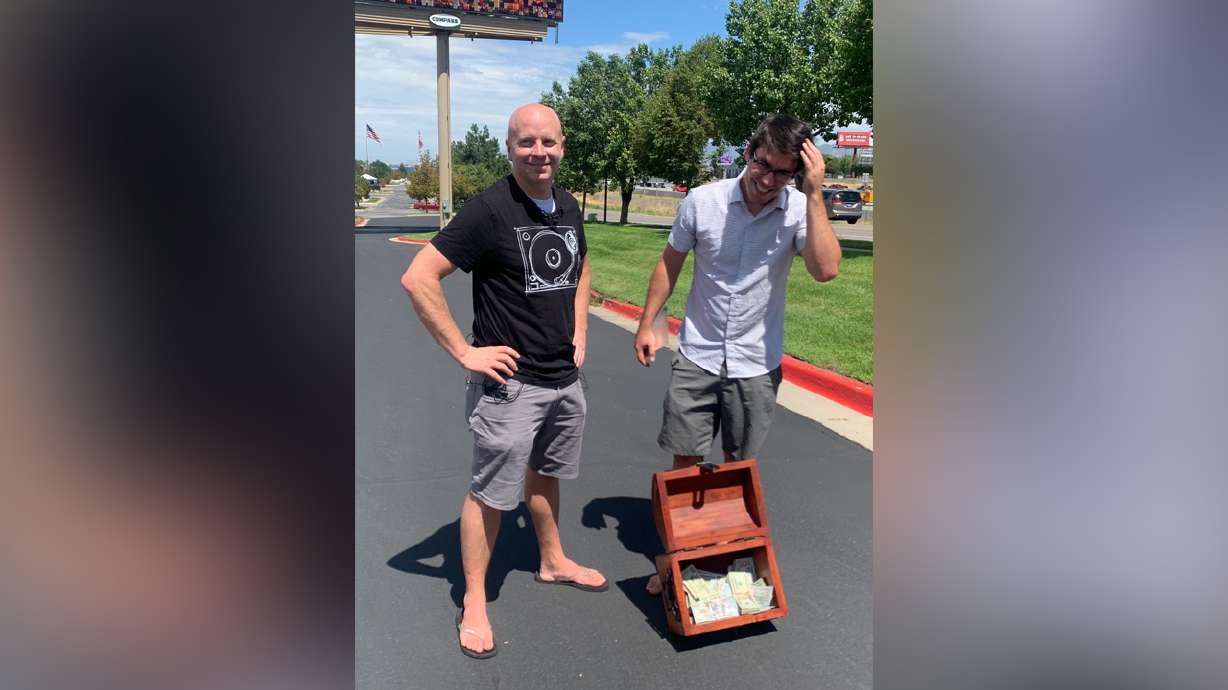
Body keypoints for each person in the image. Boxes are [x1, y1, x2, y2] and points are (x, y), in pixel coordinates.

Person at [400, 103, 607, 659]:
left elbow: (582, 267)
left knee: (546, 475)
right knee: (491, 493)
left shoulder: (566, 204)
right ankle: (473, 599)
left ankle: (552, 560)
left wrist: (580, 326)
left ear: (563, 145)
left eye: (548, 142)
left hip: (564, 379)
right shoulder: (489, 210)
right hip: (511, 387)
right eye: (526, 143)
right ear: (510, 148)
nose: (539, 152)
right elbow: (419, 276)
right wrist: (464, 351)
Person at [633, 114, 842, 595]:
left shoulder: (796, 209)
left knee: (736, 465)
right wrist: (649, 323)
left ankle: (727, 553)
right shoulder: (703, 202)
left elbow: (826, 270)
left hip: (755, 361)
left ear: (799, 172)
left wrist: (813, 194)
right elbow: (669, 265)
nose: (767, 180)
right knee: (685, 459)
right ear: (750, 152)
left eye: (783, 173)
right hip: (698, 354)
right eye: (762, 164)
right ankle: (675, 560)